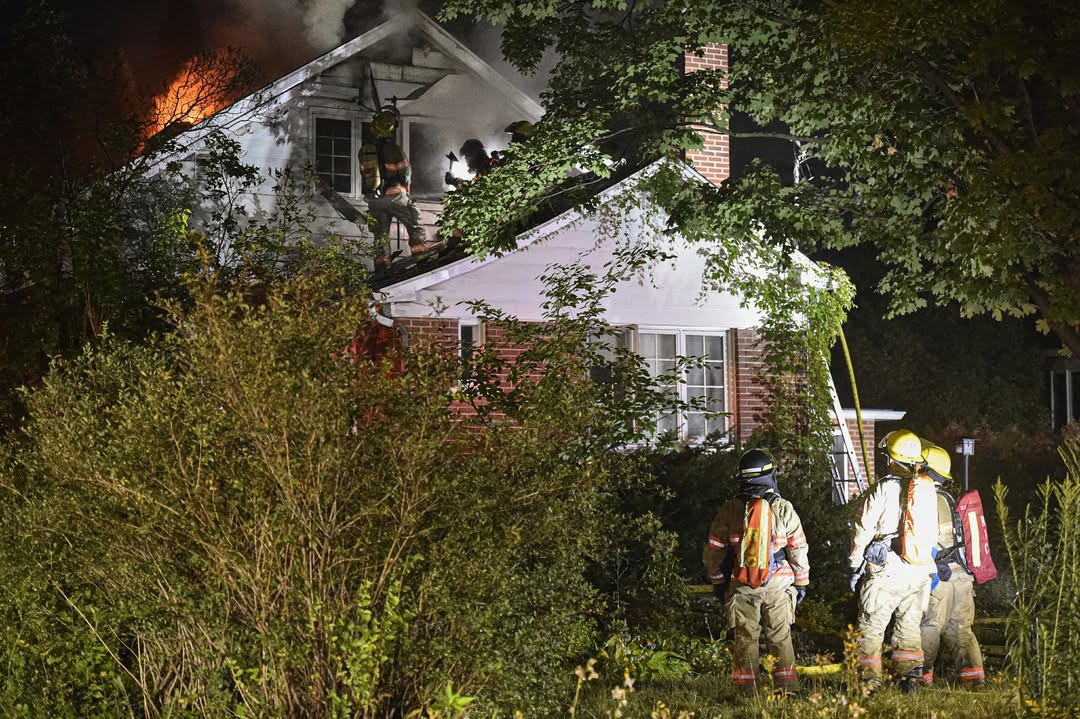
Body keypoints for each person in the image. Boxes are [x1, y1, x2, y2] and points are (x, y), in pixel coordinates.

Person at [703, 449, 809, 696]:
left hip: (741, 584)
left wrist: (718, 583)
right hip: (778, 586)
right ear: (770, 475)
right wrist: (801, 583)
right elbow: (798, 549)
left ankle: (745, 692)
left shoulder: (729, 510)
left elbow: (713, 552)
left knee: (745, 638)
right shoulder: (783, 508)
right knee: (780, 637)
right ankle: (786, 690)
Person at [848, 429, 938, 694]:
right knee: (909, 627)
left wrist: (855, 565)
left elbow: (862, 528)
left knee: (871, 626)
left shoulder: (884, 488)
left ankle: (869, 683)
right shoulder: (926, 488)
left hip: (888, 568)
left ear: (891, 458)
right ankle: (909, 680)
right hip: (919, 570)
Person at [919, 443, 986, 687]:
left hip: (940, 580)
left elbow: (923, 541)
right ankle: (974, 682)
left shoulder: (927, 498)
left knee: (928, 628)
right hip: (963, 579)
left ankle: (918, 682)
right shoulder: (952, 497)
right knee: (962, 632)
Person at [360, 105, 439, 266]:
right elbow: (405, 173)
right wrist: (405, 191)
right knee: (414, 218)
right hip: (394, 195)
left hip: (374, 200)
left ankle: (382, 263)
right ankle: (420, 254)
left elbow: (364, 175)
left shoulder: (364, 150)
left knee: (380, 233)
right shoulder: (394, 149)